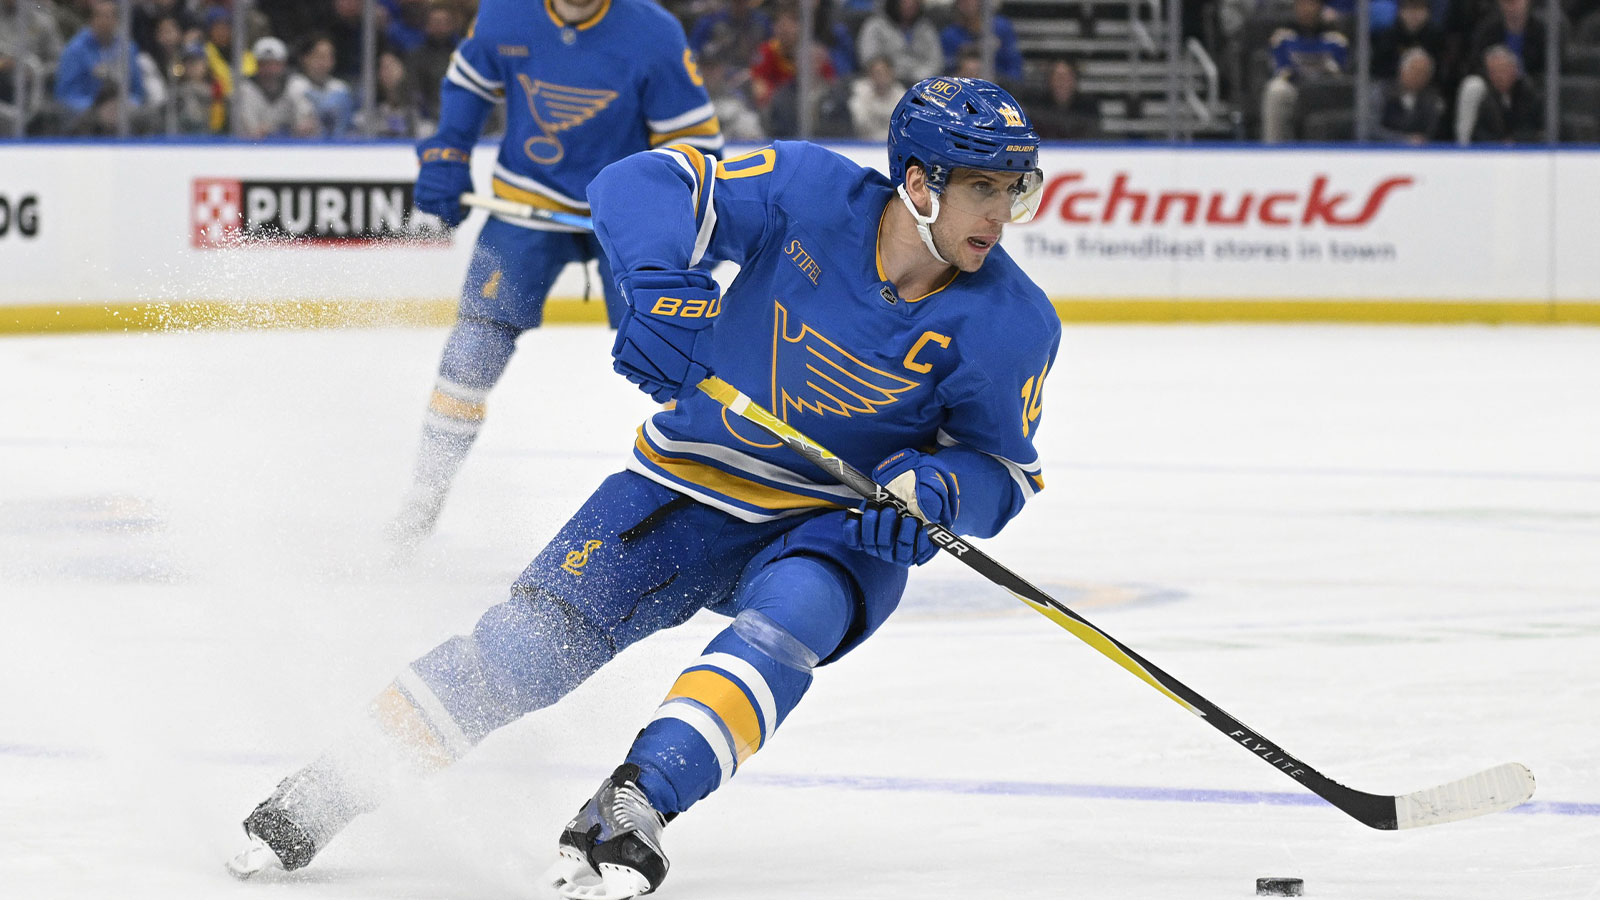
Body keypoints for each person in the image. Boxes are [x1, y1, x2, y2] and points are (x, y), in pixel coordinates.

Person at [227, 76, 1058, 900]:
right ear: (918, 184)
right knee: (524, 649)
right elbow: (640, 181)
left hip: (835, 523)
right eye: (981, 187)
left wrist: (936, 490)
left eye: (1013, 189)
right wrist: (658, 283)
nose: (1000, 212)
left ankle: (636, 801)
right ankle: (335, 782)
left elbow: (1005, 470)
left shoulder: (1014, 323)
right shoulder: (808, 190)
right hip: (688, 481)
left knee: (789, 624)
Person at [386, 0, 724, 548]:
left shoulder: (652, 32)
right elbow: (469, 84)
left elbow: (695, 142)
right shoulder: (506, 14)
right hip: (528, 200)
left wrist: (674, 220)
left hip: (624, 211)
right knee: (471, 353)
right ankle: (422, 503)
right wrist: (448, 149)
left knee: (680, 362)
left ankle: (720, 508)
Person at [1259, 0, 1349, 142]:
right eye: (1302, 4)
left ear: (1320, 7)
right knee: (1276, 90)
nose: (1306, 9)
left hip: (1325, 92)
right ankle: (1273, 150)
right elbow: (1283, 70)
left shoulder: (1335, 40)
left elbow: (1338, 74)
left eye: (1311, 4)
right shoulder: (1283, 37)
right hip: (1295, 89)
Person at [1459, 42, 1544, 143]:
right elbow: (1479, 134)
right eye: (1493, 72)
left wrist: (1515, 140)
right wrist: (1499, 144)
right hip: (1494, 154)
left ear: (1514, 70)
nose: (1499, 77)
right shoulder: (1486, 99)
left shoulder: (1529, 95)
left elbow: (1536, 129)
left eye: (1502, 70)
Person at [235, 35, 317, 138]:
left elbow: (307, 124)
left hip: (294, 148)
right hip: (256, 150)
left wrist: (300, 127)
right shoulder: (245, 89)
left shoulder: (297, 85)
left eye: (275, 64)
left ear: (283, 64)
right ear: (256, 65)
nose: (270, 70)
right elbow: (250, 133)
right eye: (264, 64)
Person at [856, 0, 943, 85]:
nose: (910, 4)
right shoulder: (875, 26)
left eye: (914, 2)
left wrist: (919, 78)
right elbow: (869, 58)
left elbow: (936, 62)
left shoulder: (926, 28)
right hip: (886, 84)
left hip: (921, 84)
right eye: (904, 2)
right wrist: (892, 75)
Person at [286, 34, 355, 137]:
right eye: (319, 56)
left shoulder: (340, 87)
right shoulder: (294, 85)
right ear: (305, 58)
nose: (324, 62)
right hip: (300, 146)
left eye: (328, 57)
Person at [1372, 46, 1445, 143]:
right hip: (1382, 151)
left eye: (1424, 73)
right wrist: (1403, 140)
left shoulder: (1431, 100)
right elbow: (1370, 129)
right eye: (1415, 71)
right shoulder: (1382, 92)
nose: (1419, 77)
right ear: (1402, 70)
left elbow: (1431, 132)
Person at [939, 0, 1024, 83]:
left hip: (999, 85)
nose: (967, 3)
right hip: (961, 87)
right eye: (963, 1)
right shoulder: (950, 34)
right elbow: (945, 70)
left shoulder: (1001, 27)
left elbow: (1015, 67)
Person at [1029, 57, 1102, 140]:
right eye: (1058, 78)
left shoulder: (1088, 106)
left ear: (1074, 80)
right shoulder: (1038, 105)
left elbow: (1092, 136)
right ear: (1050, 81)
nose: (1061, 83)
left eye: (1065, 78)